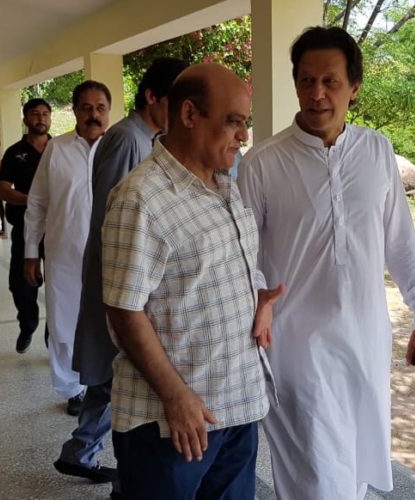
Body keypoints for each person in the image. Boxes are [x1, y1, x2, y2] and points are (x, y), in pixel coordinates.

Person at [237, 26, 415, 500]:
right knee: (317, 475)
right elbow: (240, 252)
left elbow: (399, 241)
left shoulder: (376, 151)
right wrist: (256, 300)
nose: (317, 93)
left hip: (364, 341)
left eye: (330, 81)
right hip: (293, 347)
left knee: (351, 469)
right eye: (306, 80)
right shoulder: (263, 162)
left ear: (354, 87)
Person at [102, 62, 283, 500]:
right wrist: (176, 397)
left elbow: (215, 273)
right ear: (188, 115)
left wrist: (258, 298)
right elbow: (124, 310)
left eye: (245, 123)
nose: (243, 135)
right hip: (173, 423)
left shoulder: (226, 185)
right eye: (234, 122)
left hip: (236, 403)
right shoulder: (141, 198)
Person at [55, 57, 187, 484]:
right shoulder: (128, 139)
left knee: (116, 370)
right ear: (152, 97)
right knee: (121, 366)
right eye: (176, 102)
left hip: (129, 276)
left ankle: (83, 448)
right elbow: (115, 218)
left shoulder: (144, 137)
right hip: (120, 277)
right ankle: (97, 452)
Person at [23, 80, 110, 417]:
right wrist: (32, 251)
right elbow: (38, 202)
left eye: (100, 108)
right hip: (65, 253)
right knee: (64, 322)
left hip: (111, 255)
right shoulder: (56, 149)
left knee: (111, 319)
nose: (93, 114)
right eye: (86, 108)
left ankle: (107, 381)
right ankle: (73, 389)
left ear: (108, 111)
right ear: (74, 111)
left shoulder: (119, 146)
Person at [0, 98, 52, 354]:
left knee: (59, 286)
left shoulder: (61, 148)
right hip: (25, 228)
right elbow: (3, 190)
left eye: (45, 114)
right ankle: (27, 324)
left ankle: (55, 338)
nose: (41, 118)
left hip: (57, 231)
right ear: (26, 119)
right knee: (21, 284)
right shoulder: (15, 152)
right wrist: (32, 201)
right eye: (35, 114)